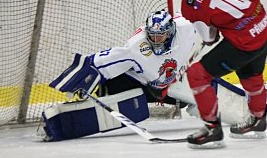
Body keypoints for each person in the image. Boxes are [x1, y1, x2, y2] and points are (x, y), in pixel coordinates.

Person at [42, 10, 198, 141]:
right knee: (116, 93)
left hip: (166, 85)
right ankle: (76, 112)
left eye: (160, 36)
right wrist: (80, 78)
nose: (156, 40)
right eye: (152, 35)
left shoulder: (186, 27)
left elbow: (202, 14)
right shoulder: (137, 46)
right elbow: (105, 59)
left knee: (182, 102)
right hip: (136, 82)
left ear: (170, 32)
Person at [172, 0, 267, 148]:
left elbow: (209, 37)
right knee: (251, 77)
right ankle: (258, 119)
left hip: (243, 44)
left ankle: (212, 129)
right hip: (263, 30)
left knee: (197, 75)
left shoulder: (190, 3)